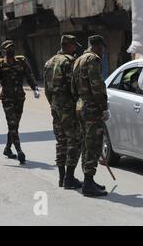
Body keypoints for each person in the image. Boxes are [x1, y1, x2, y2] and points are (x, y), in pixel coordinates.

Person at [0, 40, 40, 164]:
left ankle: (7, 149)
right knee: (12, 125)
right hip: (7, 99)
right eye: (8, 49)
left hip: (20, 98)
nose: (11, 51)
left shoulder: (21, 61)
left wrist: (35, 88)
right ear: (3, 51)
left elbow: (29, 75)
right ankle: (19, 151)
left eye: (12, 48)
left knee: (15, 126)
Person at [72, 35, 109, 197]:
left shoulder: (78, 60)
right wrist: (103, 107)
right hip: (92, 107)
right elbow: (97, 87)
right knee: (93, 144)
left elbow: (72, 87)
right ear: (98, 47)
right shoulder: (93, 60)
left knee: (86, 144)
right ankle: (88, 182)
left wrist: (79, 101)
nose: (103, 52)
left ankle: (89, 179)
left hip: (81, 105)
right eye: (103, 49)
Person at [44, 35, 83, 189]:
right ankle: (70, 177)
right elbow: (74, 87)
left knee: (61, 141)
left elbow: (47, 89)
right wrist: (78, 105)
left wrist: (54, 104)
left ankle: (61, 177)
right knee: (74, 141)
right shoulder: (69, 61)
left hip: (55, 106)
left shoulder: (49, 62)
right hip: (68, 107)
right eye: (74, 45)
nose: (75, 48)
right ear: (68, 45)